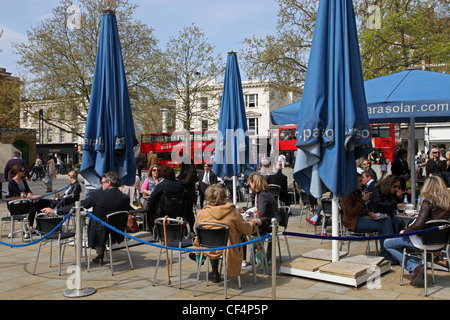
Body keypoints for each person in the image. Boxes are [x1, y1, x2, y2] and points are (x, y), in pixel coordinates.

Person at [42, 172, 133, 265]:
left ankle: (99, 255)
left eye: (102, 183)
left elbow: (78, 205)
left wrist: (56, 211)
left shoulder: (98, 195)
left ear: (108, 183)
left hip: (99, 231)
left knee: (96, 225)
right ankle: (100, 256)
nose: (101, 185)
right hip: (117, 230)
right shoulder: (125, 198)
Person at [384, 176, 450, 287]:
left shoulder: (428, 201)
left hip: (424, 240)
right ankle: (416, 267)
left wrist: (405, 231)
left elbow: (418, 224)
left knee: (387, 243)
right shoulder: (447, 203)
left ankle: (415, 267)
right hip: (441, 242)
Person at [191, 184, 261, 283]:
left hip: (207, 246)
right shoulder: (232, 212)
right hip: (229, 247)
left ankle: (214, 272)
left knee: (211, 242)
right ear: (224, 196)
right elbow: (245, 228)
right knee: (222, 241)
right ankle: (216, 272)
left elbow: (195, 229)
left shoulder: (201, 213)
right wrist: (253, 222)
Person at [341, 174, 393, 260]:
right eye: (360, 181)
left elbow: (358, 211)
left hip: (359, 218)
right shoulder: (347, 195)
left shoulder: (356, 192)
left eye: (362, 181)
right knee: (384, 226)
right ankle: (387, 254)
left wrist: (368, 212)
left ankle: (388, 252)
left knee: (387, 219)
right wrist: (362, 201)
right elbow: (351, 213)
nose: (362, 183)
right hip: (353, 222)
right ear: (353, 183)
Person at [177, 162, 198, 229]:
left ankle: (191, 227)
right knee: (185, 210)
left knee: (189, 210)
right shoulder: (185, 169)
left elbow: (187, 181)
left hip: (189, 193)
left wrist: (178, 180)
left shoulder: (191, 170)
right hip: (184, 193)